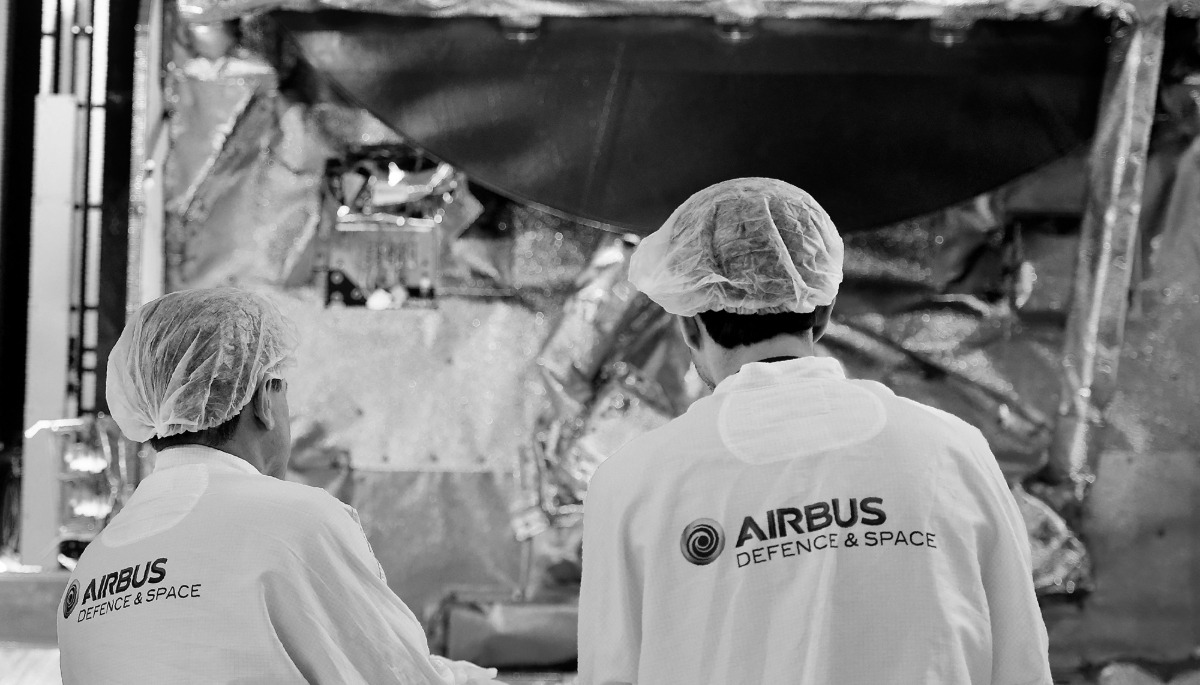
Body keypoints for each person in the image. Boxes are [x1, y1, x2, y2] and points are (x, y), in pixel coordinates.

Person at [577, 178, 1051, 685]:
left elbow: (611, 674)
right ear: (822, 312)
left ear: (689, 325)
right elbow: (1022, 662)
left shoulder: (630, 484)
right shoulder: (954, 451)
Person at [57, 287, 500, 685]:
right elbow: (396, 676)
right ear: (265, 399)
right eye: (283, 387)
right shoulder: (296, 523)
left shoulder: (90, 571)